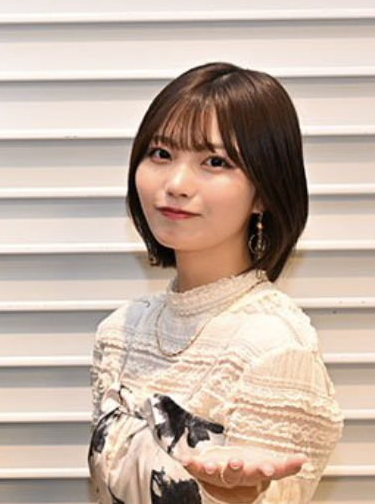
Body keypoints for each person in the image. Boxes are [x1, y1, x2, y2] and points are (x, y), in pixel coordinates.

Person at [88, 62, 343, 503]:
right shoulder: (120, 331)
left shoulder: (274, 347)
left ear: (264, 192)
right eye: (161, 154)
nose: (176, 183)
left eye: (215, 162)